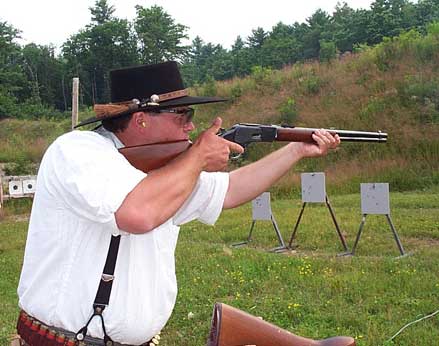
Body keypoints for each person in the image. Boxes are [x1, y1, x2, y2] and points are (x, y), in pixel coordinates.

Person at [16, 61, 340, 346]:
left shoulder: (168, 169)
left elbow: (229, 191)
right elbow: (137, 213)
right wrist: (198, 156)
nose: (190, 125)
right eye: (183, 114)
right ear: (141, 118)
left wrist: (296, 150)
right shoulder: (77, 151)